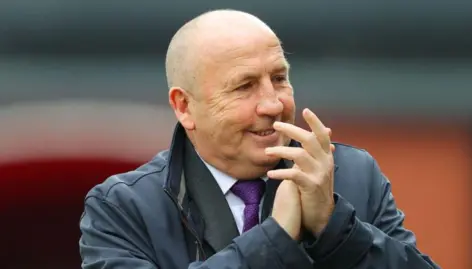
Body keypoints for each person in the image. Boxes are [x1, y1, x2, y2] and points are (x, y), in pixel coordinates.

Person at [79, 9, 440, 269]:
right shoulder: (122, 208)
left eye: (280, 78)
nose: (273, 103)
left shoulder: (353, 176)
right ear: (184, 106)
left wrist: (335, 229)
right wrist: (275, 239)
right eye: (244, 86)